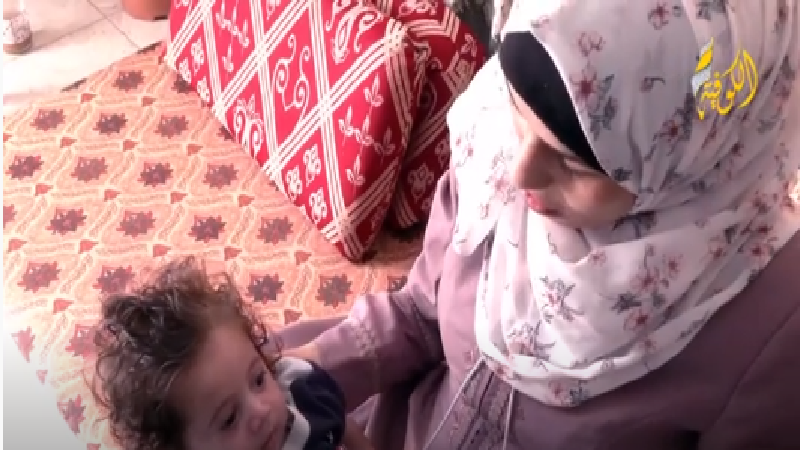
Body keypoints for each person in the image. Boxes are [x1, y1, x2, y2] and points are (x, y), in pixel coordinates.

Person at [281, 1, 800, 449]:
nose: (519, 173)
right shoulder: (492, 140)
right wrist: (300, 378)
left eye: (572, 163)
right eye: (517, 112)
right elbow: (420, 314)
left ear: (694, 157)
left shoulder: (770, 323)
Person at [90, 257, 373, 450]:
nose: (260, 411)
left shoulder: (305, 393)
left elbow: (342, 423)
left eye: (258, 380)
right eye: (229, 418)